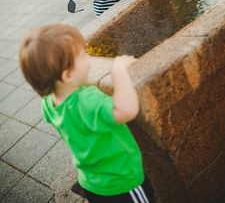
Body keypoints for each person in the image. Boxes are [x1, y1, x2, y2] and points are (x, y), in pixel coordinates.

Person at [19, 23, 155, 203]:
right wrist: (119, 72)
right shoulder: (87, 99)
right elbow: (126, 111)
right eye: (82, 55)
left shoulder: (48, 104)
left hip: (91, 184)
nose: (88, 57)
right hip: (122, 183)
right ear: (67, 75)